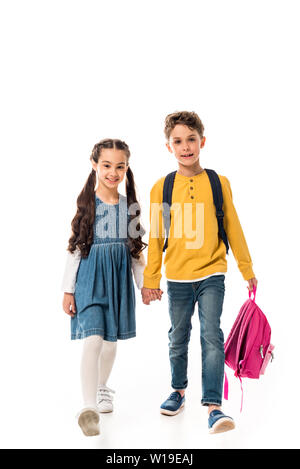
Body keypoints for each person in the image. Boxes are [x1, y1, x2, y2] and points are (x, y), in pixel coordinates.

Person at [141, 111, 258, 434]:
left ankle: (214, 406)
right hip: (177, 277)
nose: (185, 147)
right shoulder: (161, 188)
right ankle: (178, 391)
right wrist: (151, 280)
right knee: (178, 337)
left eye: (191, 139)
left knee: (211, 335)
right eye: (177, 141)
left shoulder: (218, 183)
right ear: (169, 147)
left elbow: (233, 226)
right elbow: (156, 237)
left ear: (202, 142)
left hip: (212, 273)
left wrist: (246, 268)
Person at [61, 138, 147, 436]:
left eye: (119, 166)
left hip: (118, 281)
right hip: (90, 280)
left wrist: (144, 284)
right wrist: (68, 290)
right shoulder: (87, 203)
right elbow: (74, 248)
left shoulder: (129, 207)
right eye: (107, 165)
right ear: (94, 164)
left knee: (111, 343)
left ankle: (100, 388)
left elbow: (135, 251)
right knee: (94, 339)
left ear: (126, 168)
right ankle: (89, 409)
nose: (113, 172)